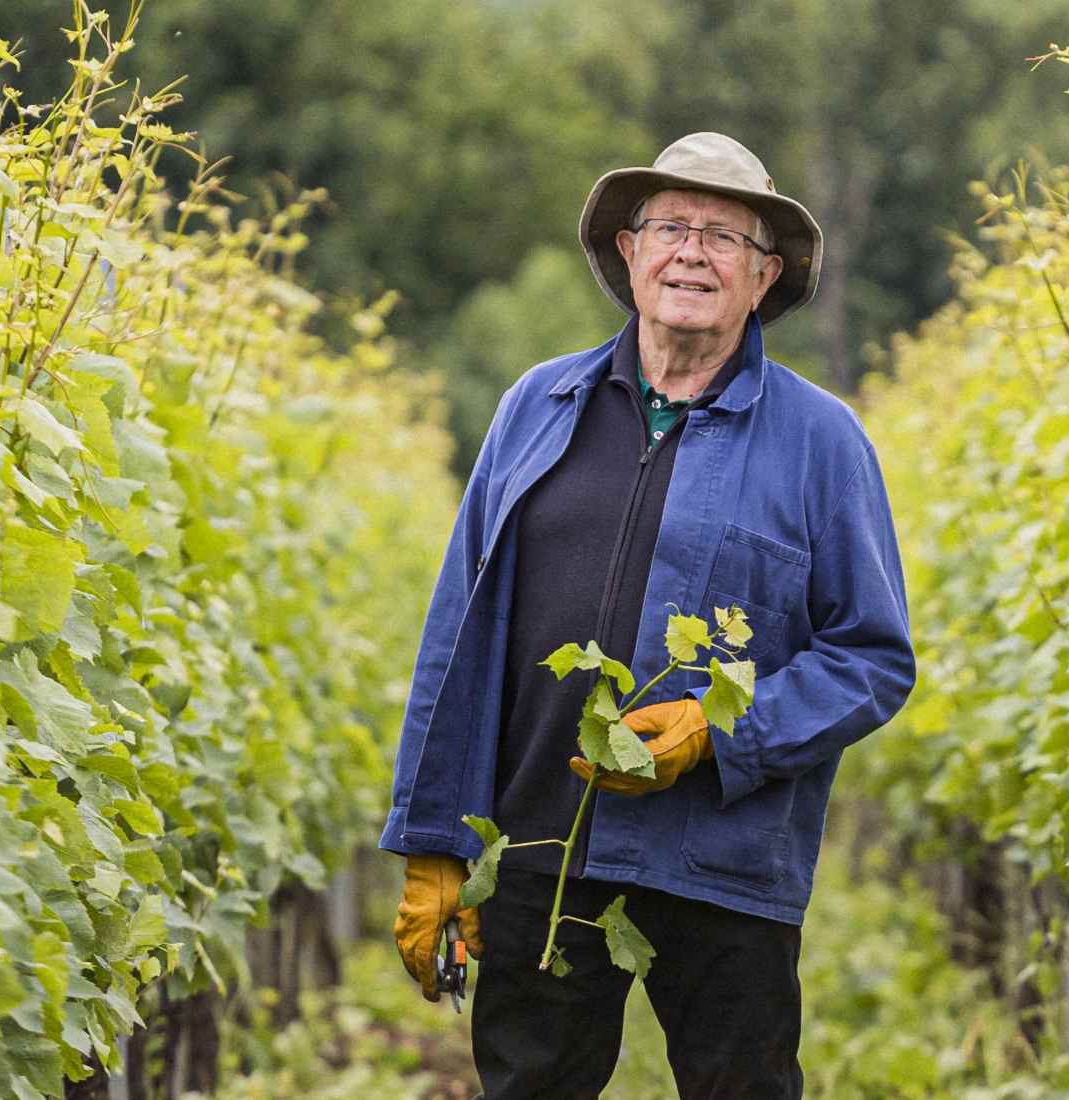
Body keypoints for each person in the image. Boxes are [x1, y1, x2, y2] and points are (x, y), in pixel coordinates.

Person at [381, 131, 915, 1099]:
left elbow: (872, 657)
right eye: (670, 226)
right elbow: (460, 637)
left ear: (765, 275)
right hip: (543, 848)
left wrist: (718, 724)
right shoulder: (534, 407)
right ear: (628, 253)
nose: (692, 253)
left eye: (724, 235)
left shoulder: (823, 441)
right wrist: (434, 843)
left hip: (724, 864)